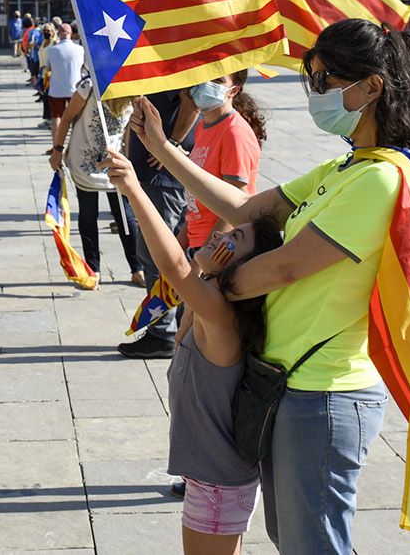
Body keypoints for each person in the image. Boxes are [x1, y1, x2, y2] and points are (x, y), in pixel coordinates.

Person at [129, 19, 410, 554]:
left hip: (326, 392)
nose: (315, 93)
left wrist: (209, 285)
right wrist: (162, 145)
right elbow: (244, 208)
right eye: (310, 80)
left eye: (323, 81)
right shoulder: (343, 168)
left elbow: (286, 268)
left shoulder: (380, 178)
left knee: (312, 543)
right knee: (292, 538)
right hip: (288, 383)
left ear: (371, 86)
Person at [103, 146, 284, 552]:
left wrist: (133, 187)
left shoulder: (224, 318)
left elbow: (173, 269)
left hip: (219, 482)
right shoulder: (208, 308)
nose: (220, 233)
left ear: (248, 267)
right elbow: (186, 280)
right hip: (214, 478)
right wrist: (206, 266)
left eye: (234, 237)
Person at [117, 87, 195, 360]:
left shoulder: (171, 59)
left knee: (158, 256)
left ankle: (164, 331)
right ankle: (175, 326)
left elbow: (191, 102)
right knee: (154, 253)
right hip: (152, 174)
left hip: (163, 178)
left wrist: (171, 145)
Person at [50, 77, 143, 287]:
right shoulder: (89, 86)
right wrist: (57, 150)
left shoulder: (134, 91)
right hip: (84, 161)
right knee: (88, 214)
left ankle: (137, 268)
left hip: (113, 161)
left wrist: (129, 163)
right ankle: (94, 269)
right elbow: (66, 118)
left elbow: (128, 133)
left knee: (125, 216)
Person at [179, 72, 265, 255]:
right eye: (204, 77)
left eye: (217, 81)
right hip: (200, 242)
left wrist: (204, 257)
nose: (205, 84)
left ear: (234, 90)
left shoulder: (234, 133)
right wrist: (180, 244)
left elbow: (235, 207)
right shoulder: (204, 127)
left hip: (221, 247)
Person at [44, 22, 85, 124]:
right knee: (76, 117)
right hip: (75, 88)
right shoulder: (80, 49)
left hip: (56, 89)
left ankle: (57, 140)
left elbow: (48, 68)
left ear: (58, 34)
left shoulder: (51, 50)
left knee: (56, 117)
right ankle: (75, 139)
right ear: (70, 34)